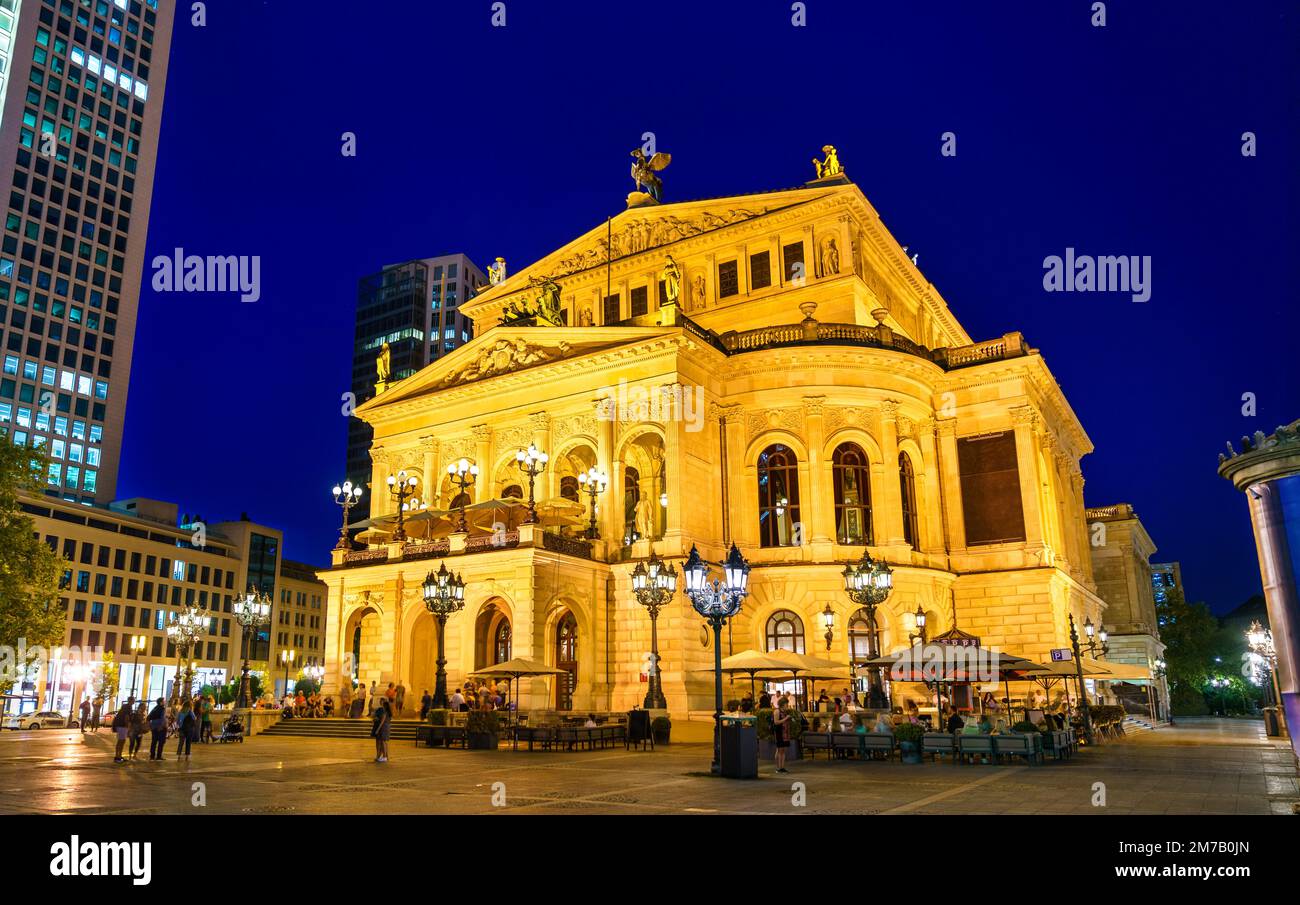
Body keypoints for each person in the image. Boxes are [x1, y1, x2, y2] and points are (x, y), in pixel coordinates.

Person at [772, 696, 792, 774]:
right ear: (782, 704)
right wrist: (786, 718)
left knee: (783, 750)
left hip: (785, 733)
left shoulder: (785, 712)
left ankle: (782, 767)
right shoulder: (777, 711)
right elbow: (776, 722)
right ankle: (778, 767)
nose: (787, 705)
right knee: (779, 750)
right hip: (779, 733)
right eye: (786, 704)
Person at [372, 696, 391, 763]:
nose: (381, 702)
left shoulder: (385, 711)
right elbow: (374, 716)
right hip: (383, 727)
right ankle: (382, 756)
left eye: (382, 701)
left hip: (382, 728)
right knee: (382, 742)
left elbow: (382, 721)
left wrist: (377, 729)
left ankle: (385, 756)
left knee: (383, 742)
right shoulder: (383, 710)